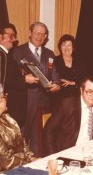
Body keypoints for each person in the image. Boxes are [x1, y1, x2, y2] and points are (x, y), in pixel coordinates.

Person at [12, 22, 61, 157]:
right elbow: (11, 79)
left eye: (43, 34)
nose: (39, 37)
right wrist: (24, 79)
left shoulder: (49, 54)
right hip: (24, 103)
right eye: (36, 33)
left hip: (44, 104)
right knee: (21, 139)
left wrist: (57, 85)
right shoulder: (17, 52)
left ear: (46, 37)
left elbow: (56, 76)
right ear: (29, 33)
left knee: (38, 143)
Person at [42, 76, 93, 156]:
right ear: (81, 90)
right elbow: (49, 130)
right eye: (89, 91)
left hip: (92, 152)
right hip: (68, 152)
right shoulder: (67, 105)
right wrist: (53, 156)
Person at [0, 23, 27, 128]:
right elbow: (3, 80)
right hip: (7, 107)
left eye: (14, 36)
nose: (13, 39)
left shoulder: (7, 55)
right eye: (10, 35)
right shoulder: (2, 55)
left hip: (12, 107)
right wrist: (24, 79)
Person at [0, 90, 33, 173]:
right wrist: (29, 160)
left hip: (19, 166)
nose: (6, 99)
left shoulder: (7, 117)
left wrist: (31, 156)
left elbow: (22, 142)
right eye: (4, 96)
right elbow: (6, 161)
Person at [54, 34, 86, 103]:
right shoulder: (55, 60)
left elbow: (84, 79)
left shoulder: (79, 61)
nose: (66, 48)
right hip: (60, 97)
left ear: (73, 47)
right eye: (64, 45)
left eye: (69, 45)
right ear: (60, 47)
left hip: (77, 96)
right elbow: (51, 77)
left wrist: (73, 82)